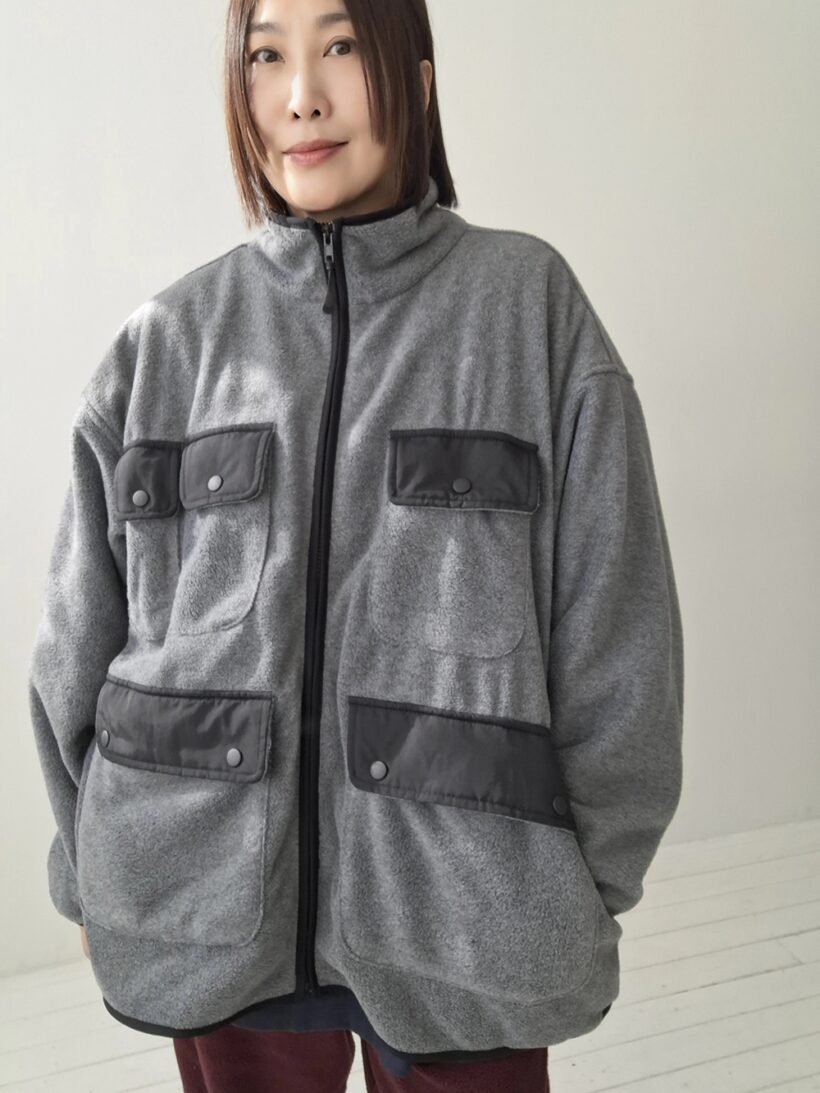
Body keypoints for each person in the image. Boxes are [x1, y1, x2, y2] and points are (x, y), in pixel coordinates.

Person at [28, 0, 684, 1090]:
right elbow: (74, 647)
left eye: (339, 46)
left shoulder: (529, 310)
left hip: (469, 922)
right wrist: (94, 871)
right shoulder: (165, 344)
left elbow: (619, 630)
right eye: (266, 56)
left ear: (415, 78)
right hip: (203, 902)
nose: (302, 97)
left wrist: (585, 883)